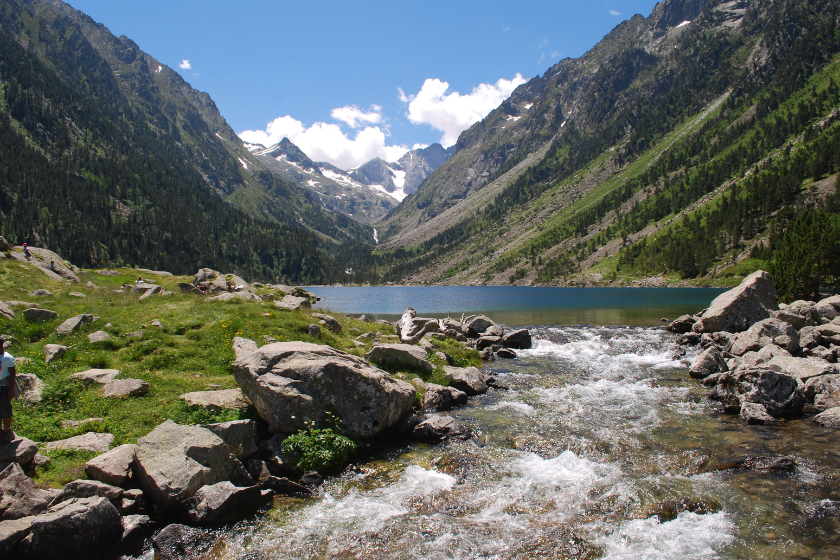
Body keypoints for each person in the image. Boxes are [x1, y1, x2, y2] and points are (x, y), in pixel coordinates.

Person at [0, 336, 16, 442]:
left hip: (4, 386)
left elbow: (13, 373)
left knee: (5, 407)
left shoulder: (7, 357)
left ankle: (8, 431)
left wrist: (11, 390)